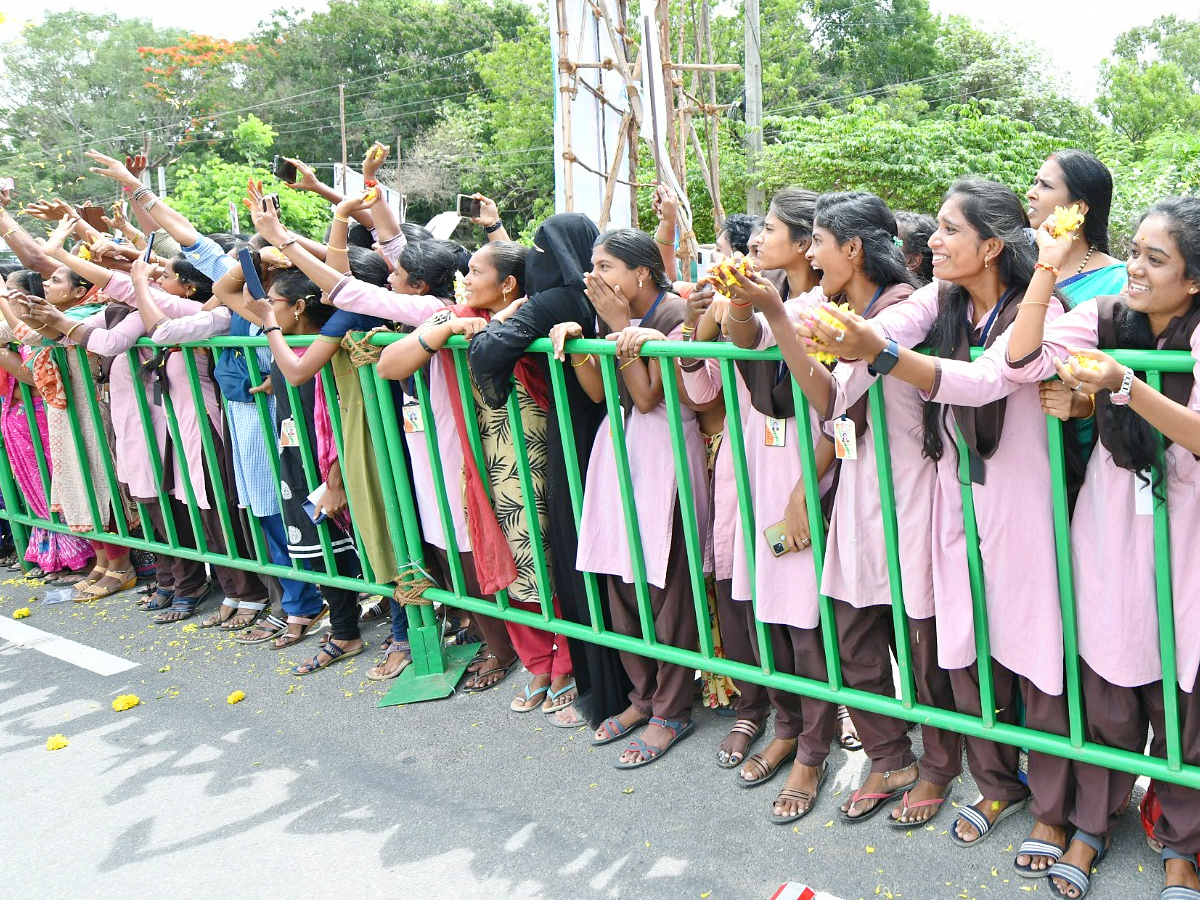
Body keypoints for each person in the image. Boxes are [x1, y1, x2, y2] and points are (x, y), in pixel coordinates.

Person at [804, 179, 1073, 860]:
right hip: (957, 493)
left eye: (951, 230)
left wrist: (881, 353)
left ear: (991, 245)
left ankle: (1052, 808)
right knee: (963, 644)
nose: (933, 240)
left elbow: (987, 380)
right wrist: (857, 337)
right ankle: (994, 782)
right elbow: (892, 327)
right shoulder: (943, 297)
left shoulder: (1037, 310)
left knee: (1034, 653)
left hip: (1022, 501)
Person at [1004, 196, 1200, 900]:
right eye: (1135, 252)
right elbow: (1024, 357)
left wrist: (1124, 383)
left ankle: (1183, 845)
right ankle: (1093, 824)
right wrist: (1045, 275)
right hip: (1112, 511)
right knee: (1111, 673)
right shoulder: (1110, 311)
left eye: (1156, 259)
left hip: (1186, 518)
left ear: (1194, 278)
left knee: (1183, 681)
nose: (1136, 269)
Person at [379, 240, 575, 710]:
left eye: (474, 270)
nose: (464, 279)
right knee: (505, 559)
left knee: (546, 558)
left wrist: (498, 329)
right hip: (480, 463)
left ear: (507, 284)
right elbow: (389, 365)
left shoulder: (537, 316)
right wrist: (442, 332)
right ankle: (536, 662)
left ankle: (566, 661)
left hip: (536, 457)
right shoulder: (455, 315)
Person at [550, 227, 710, 768]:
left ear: (641, 272)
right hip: (620, 457)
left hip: (665, 457)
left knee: (667, 589)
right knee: (620, 578)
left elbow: (645, 398)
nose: (594, 276)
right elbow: (601, 393)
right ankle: (642, 698)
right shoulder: (608, 313)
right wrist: (578, 345)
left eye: (605, 265)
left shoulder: (670, 316)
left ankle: (672, 708)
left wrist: (619, 328)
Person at [469, 213, 626, 726]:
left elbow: (488, 351)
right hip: (617, 439)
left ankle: (603, 692)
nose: (535, 261)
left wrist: (511, 314)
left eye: (541, 250)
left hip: (575, 448)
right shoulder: (599, 296)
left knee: (581, 564)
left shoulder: (555, 300)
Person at [1025, 150, 1125, 303]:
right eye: (1035, 183)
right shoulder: (1019, 261)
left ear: (1078, 208)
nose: (1030, 193)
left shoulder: (1117, 280)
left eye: (1045, 185)